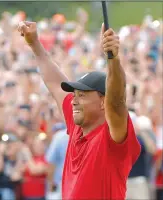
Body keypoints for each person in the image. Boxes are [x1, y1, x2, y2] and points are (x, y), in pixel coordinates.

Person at [18, 21, 141, 199]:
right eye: (74, 95)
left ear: (102, 102)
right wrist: (35, 44)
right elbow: (54, 83)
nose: (74, 101)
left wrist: (113, 60)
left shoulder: (111, 137)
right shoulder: (77, 128)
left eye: (82, 95)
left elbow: (117, 101)